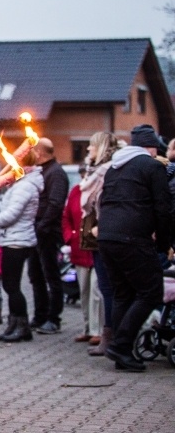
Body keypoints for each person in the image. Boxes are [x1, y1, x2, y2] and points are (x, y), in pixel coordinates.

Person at [97, 125, 172, 372]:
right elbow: (163, 208)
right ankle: (121, 346)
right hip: (132, 237)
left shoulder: (114, 168)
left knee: (123, 293)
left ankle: (121, 351)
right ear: (152, 147)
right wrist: (164, 244)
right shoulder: (152, 166)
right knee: (151, 292)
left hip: (106, 237)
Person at [0, 152, 44, 342]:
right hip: (13, 239)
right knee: (10, 285)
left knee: (11, 285)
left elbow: (11, 215)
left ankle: (22, 327)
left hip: (17, 241)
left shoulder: (25, 186)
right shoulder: (21, 183)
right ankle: (13, 325)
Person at [80, 131, 119, 357]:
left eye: (91, 145)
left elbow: (106, 204)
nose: (88, 149)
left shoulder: (106, 172)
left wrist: (101, 226)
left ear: (101, 147)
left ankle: (111, 337)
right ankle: (110, 336)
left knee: (107, 288)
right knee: (104, 288)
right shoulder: (96, 171)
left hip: (104, 234)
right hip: (97, 235)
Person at [28, 138, 69, 334]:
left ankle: (54, 318)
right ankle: (40, 315)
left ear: (40, 152)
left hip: (48, 233)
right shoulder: (42, 171)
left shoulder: (56, 173)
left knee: (51, 274)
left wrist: (42, 226)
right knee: (35, 275)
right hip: (37, 230)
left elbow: (55, 203)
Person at [63, 179, 100, 344]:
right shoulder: (76, 191)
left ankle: (97, 330)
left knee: (96, 290)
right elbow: (66, 216)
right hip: (79, 249)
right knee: (84, 290)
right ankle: (87, 328)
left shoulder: (101, 190)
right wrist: (69, 236)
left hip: (97, 249)